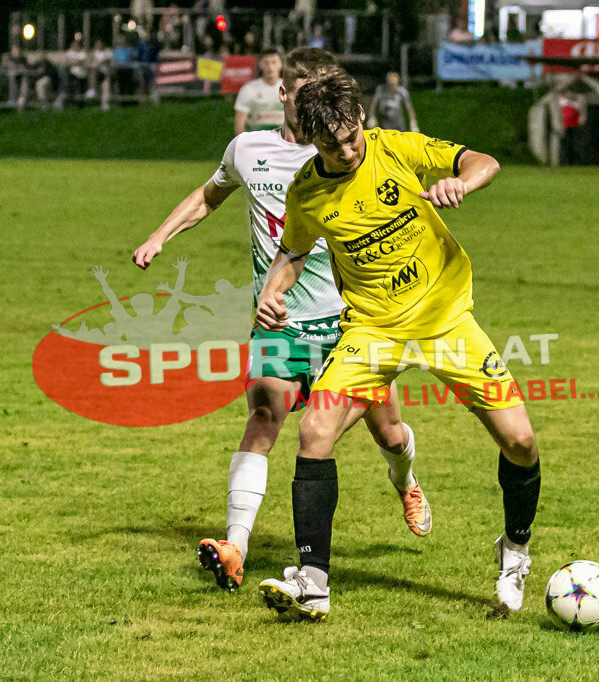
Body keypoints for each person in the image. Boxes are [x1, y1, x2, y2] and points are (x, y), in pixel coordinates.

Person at [131, 48, 430, 593]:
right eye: (304, 87)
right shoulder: (249, 149)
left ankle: (405, 478)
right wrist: (159, 236)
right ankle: (235, 545)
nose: (315, 98)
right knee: (266, 410)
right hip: (280, 317)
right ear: (285, 94)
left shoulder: (351, 153)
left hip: (353, 320)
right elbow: (209, 195)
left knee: (388, 431)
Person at [255, 70, 541, 622]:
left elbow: (483, 162)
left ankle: (515, 552)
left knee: (521, 441)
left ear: (362, 118)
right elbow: (292, 253)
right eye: (331, 145)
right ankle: (314, 581)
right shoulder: (308, 192)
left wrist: (463, 183)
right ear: (312, 142)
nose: (346, 151)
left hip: (446, 321)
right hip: (372, 332)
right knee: (315, 430)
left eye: (351, 136)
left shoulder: (397, 148)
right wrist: (272, 292)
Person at [233, 52, 284, 135]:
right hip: (257, 141)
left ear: (281, 64)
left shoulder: (290, 88)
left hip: (284, 141)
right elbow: (239, 125)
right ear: (260, 65)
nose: (270, 67)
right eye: (266, 63)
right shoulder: (249, 89)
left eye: (274, 62)